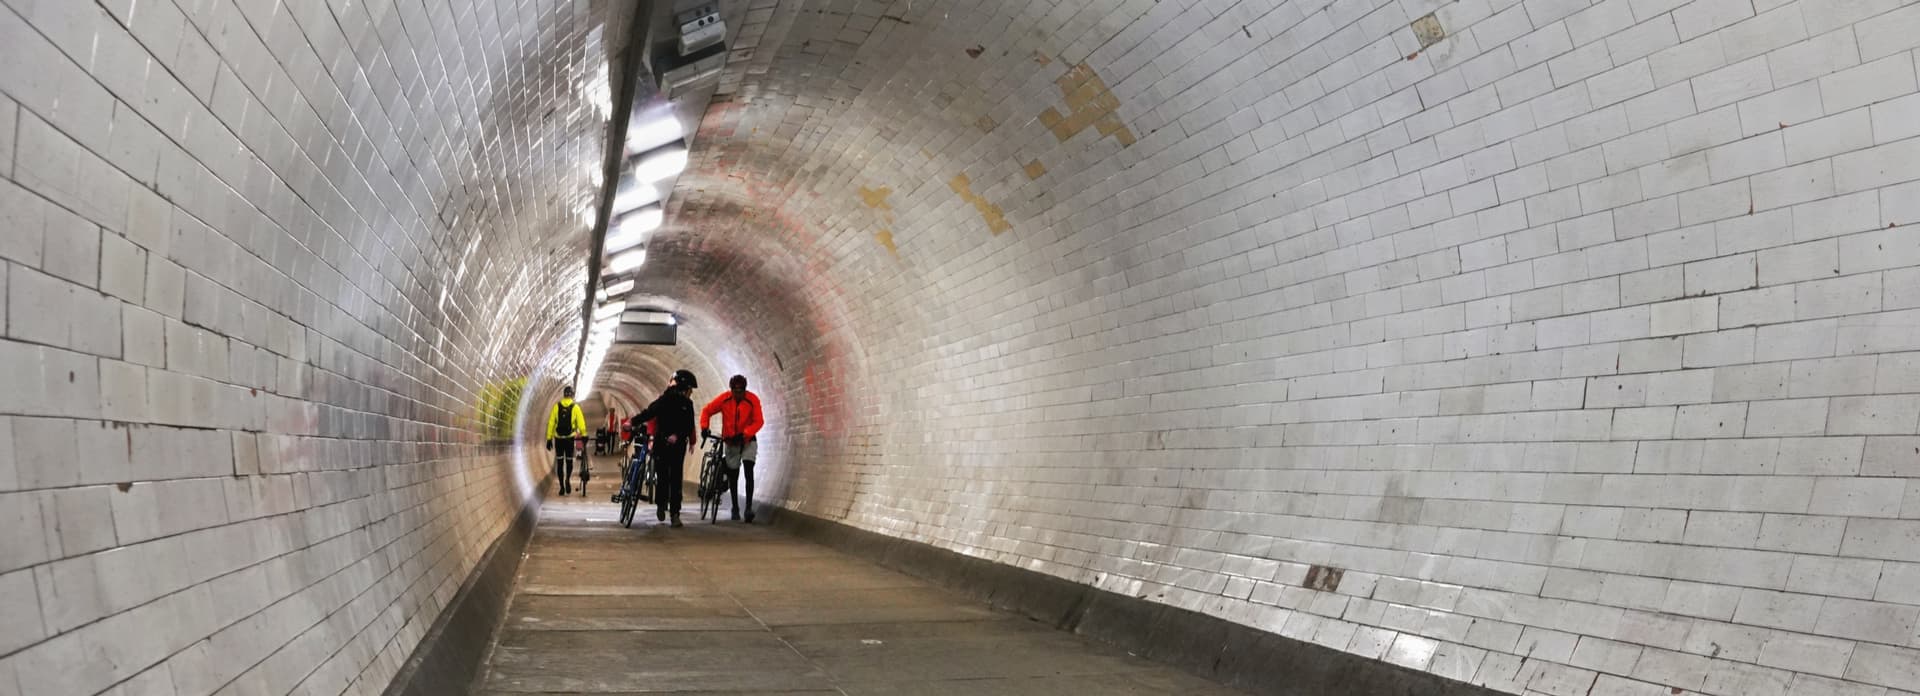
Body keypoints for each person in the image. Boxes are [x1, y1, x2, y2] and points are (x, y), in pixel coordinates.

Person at [629, 369, 698, 527]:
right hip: (663, 443)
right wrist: (633, 422)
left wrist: (679, 436)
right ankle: (663, 505)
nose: (690, 393)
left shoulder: (686, 404)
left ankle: (674, 513)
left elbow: (689, 425)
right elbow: (650, 413)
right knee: (664, 477)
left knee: (673, 479)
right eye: (689, 390)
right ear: (684, 388)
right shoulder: (667, 400)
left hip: (676, 445)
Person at [700, 375, 764, 522]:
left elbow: (759, 421)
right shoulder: (725, 399)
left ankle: (748, 508)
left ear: (745, 390)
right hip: (730, 442)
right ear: (731, 390)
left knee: (749, 470)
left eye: (741, 391)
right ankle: (735, 507)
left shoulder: (752, 400)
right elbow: (706, 410)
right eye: (735, 391)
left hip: (747, 441)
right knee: (733, 475)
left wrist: (745, 433)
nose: (738, 394)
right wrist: (704, 427)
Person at [545, 385, 588, 496]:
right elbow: (581, 422)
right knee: (569, 461)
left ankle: (561, 487)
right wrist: (584, 435)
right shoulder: (575, 407)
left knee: (560, 463)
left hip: (558, 439)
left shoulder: (556, 406)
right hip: (569, 439)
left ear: (564, 395)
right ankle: (567, 479)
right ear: (572, 395)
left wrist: (549, 438)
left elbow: (551, 423)